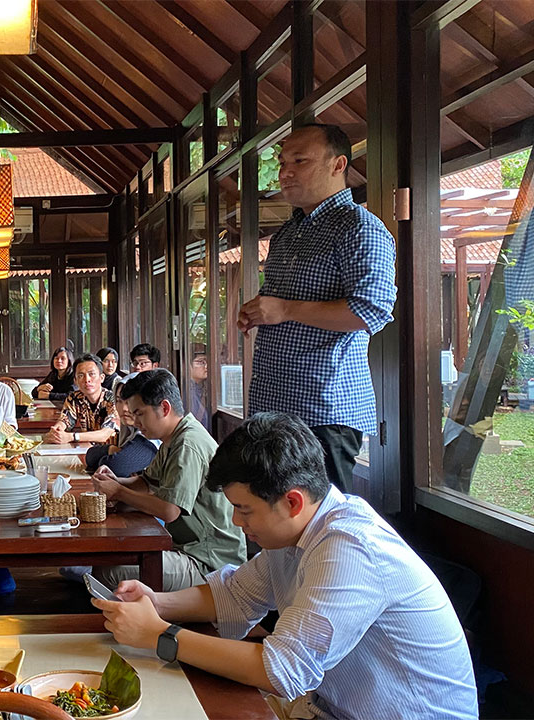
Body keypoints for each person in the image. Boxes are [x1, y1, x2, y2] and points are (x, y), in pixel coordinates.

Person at [94, 412, 477, 720]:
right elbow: (235, 594)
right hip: (328, 706)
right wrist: (157, 602)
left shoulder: (350, 548)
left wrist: (161, 635)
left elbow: (282, 669)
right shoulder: (295, 533)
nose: (237, 521)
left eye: (244, 510)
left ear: (292, 502)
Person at [237, 124, 396, 493]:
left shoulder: (359, 227)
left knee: (323, 521)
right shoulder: (287, 233)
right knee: (273, 517)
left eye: (300, 161)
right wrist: (257, 311)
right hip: (273, 403)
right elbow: (278, 304)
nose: (285, 172)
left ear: (338, 165)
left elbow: (370, 310)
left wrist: (286, 310)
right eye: (283, 162)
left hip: (324, 410)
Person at [90, 369, 245, 591]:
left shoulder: (188, 444)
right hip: (185, 547)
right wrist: (115, 481)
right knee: (110, 557)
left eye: (140, 413)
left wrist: (119, 492)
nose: (135, 421)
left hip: (209, 562)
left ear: (164, 408)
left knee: (109, 571)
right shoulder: (173, 436)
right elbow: (146, 483)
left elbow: (169, 510)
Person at [85, 378, 160, 477]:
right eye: (119, 401)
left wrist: (113, 456)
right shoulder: (129, 432)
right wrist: (112, 449)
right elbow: (90, 457)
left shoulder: (150, 438)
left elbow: (112, 467)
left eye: (130, 401)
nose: (124, 408)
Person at [45, 354, 118, 445]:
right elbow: (65, 420)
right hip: (89, 449)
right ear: (75, 381)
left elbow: (106, 434)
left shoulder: (113, 399)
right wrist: (56, 431)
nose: (87, 380)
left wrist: (72, 437)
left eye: (91, 374)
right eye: (81, 375)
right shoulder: (74, 398)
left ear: (101, 378)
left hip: (115, 450)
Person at [187, 351, 211, 432]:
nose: (206, 366)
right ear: (189, 366)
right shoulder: (187, 392)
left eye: (207, 362)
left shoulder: (203, 388)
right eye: (201, 362)